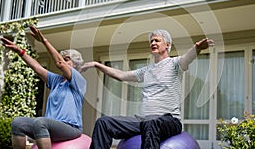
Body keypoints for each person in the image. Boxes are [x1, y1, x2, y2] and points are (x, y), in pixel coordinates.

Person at [81, 29, 214, 149]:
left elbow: (187, 58)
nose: (153, 43)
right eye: (151, 41)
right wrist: (97, 65)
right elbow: (120, 75)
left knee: (150, 123)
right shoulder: (146, 71)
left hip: (169, 121)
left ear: (167, 45)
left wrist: (197, 48)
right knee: (103, 123)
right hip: (144, 121)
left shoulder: (174, 64)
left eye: (157, 40)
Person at [1, 26, 86, 149]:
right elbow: (37, 68)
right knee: (18, 123)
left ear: (76, 64)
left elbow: (59, 63)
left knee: (41, 122)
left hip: (71, 128)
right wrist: (20, 51)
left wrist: (44, 41)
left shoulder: (79, 80)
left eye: (67, 59)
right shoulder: (56, 81)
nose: (63, 61)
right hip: (48, 127)